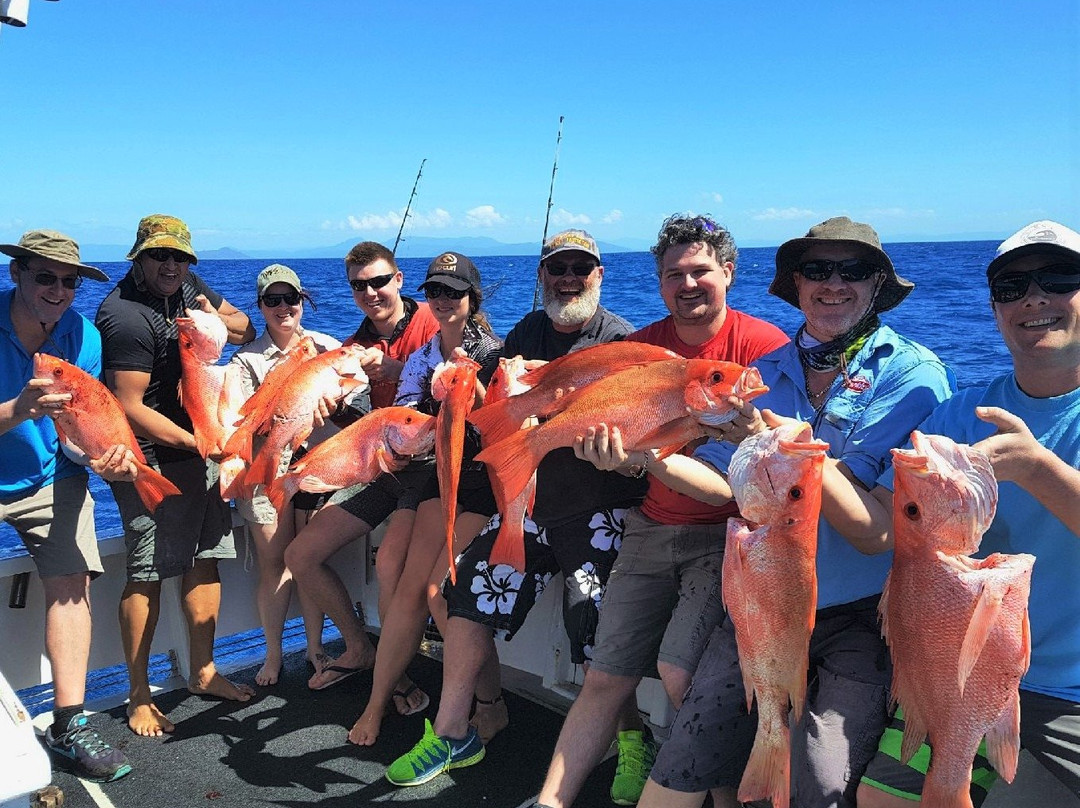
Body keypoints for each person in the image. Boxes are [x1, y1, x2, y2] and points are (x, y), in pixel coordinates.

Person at [639, 216, 956, 808]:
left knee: (822, 776)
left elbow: (878, 533)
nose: (833, 284)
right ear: (797, 282)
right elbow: (717, 484)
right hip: (760, 604)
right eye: (817, 269)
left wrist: (790, 453)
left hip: (859, 616)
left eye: (853, 270)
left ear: (877, 285)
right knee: (682, 761)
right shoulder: (769, 374)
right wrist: (645, 455)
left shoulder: (916, 380)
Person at [820, 220, 1080, 807]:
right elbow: (881, 529)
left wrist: (1037, 469)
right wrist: (807, 465)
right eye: (1011, 287)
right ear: (994, 309)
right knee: (879, 801)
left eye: (1059, 278)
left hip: (1072, 693)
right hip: (955, 674)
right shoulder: (958, 416)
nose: (1034, 297)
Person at [535, 214, 789, 808]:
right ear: (658, 281)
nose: (689, 283)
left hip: (729, 538)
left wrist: (655, 454)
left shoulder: (763, 348)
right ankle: (550, 802)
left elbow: (760, 474)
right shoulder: (641, 350)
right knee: (604, 674)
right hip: (651, 528)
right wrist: (610, 454)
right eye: (674, 273)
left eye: (702, 270)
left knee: (683, 678)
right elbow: (631, 454)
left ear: (728, 271)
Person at [385, 228, 650, 790]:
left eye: (581, 267)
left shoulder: (618, 340)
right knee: (464, 593)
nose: (569, 278)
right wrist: (465, 389)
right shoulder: (529, 329)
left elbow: (637, 447)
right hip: (530, 504)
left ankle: (632, 738)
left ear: (600, 274)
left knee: (595, 627)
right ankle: (454, 731)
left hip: (597, 508)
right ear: (542, 277)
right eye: (557, 268)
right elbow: (500, 409)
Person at [95, 214, 256, 737]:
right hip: (144, 458)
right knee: (146, 569)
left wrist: (216, 319)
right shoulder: (124, 316)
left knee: (206, 556)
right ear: (138, 258)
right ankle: (139, 694)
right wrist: (197, 443)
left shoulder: (187, 287)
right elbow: (128, 404)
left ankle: (204, 672)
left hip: (203, 443)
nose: (171, 266)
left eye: (180, 257)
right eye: (159, 256)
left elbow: (246, 327)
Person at [348, 251, 502, 747]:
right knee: (410, 580)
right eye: (434, 291)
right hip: (437, 478)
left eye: (453, 292)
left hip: (482, 484)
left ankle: (488, 705)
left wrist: (474, 393)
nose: (442, 300)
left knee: (440, 591)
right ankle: (378, 701)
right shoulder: (421, 358)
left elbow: (507, 426)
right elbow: (407, 425)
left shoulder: (497, 354)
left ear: (472, 298)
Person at [0, 230, 136, 781]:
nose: (59, 290)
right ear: (18, 275)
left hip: (51, 479)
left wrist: (103, 456)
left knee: (72, 584)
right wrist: (16, 409)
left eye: (69, 281)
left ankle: (69, 725)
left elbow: (78, 431)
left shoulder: (83, 336)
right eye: (45, 277)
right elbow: (27, 413)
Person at [284, 241, 439, 699]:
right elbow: (365, 429)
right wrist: (331, 413)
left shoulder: (434, 321)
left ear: (399, 280)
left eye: (378, 281)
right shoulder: (354, 347)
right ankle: (359, 647)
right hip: (384, 471)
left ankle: (397, 682)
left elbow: (461, 386)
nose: (370, 292)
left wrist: (395, 367)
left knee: (390, 565)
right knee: (300, 555)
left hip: (429, 472)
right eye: (359, 286)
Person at [229, 264, 342, 686]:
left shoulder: (328, 348)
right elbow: (239, 421)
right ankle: (273, 654)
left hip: (314, 467)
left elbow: (354, 394)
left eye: (290, 298)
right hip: (266, 471)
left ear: (303, 301)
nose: (283, 307)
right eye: (272, 300)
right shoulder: (246, 360)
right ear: (259, 306)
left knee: (308, 559)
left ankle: (316, 649)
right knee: (275, 562)